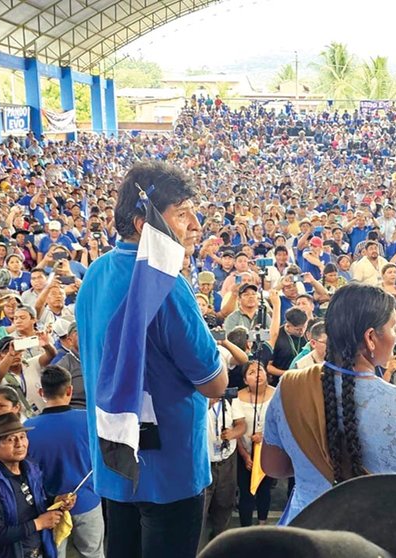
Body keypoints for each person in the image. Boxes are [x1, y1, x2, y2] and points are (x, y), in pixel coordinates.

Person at [76, 161, 227, 558]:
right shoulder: (169, 288)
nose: (196, 224)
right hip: (168, 471)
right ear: (145, 224)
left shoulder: (95, 272)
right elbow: (214, 383)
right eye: (182, 214)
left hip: (115, 456)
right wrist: (221, 353)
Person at [261, 283, 396, 525]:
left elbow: (273, 466)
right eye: (393, 327)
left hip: (304, 533)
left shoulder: (290, 386)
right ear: (371, 338)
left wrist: (313, 467)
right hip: (378, 538)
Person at [0, 413, 75, 558]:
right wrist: (38, 524)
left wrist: (56, 501)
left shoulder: (30, 467)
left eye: (22, 437)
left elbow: (36, 501)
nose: (19, 444)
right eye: (11, 439)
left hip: (39, 549)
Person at [24, 366, 103, 558]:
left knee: (53, 554)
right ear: (70, 390)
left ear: (41, 392)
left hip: (48, 509)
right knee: (92, 553)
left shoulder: (26, 430)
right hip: (88, 502)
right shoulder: (89, 420)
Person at [233, 361, 274, 527]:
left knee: (265, 489)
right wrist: (244, 455)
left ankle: (262, 525)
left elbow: (280, 424)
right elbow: (235, 427)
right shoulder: (237, 397)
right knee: (246, 492)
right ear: (244, 380)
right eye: (251, 372)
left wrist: (264, 437)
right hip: (245, 453)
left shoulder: (277, 394)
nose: (257, 374)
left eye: (260, 370)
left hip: (269, 452)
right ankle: (245, 529)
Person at [204, 394, 245, 541]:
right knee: (200, 506)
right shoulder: (197, 396)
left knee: (225, 503)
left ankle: (220, 541)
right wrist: (207, 404)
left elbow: (241, 425)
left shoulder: (231, 398)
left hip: (226, 460)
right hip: (203, 461)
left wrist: (233, 433)